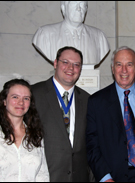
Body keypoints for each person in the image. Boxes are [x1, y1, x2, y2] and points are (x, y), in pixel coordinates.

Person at [86, 46, 135, 182]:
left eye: (129, 64)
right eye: (119, 64)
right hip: (113, 177)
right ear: (112, 69)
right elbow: (91, 145)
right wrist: (105, 177)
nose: (124, 70)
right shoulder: (97, 102)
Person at [31, 46, 93, 182]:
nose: (70, 68)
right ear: (55, 63)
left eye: (76, 64)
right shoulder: (33, 94)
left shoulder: (88, 100)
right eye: (65, 62)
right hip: (45, 176)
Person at [0, 79, 49, 182]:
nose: (21, 102)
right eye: (15, 97)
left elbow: (42, 176)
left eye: (26, 98)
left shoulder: (36, 136)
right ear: (4, 101)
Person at [32, 1, 110, 65]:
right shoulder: (44, 34)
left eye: (82, 4)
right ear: (63, 8)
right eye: (74, 3)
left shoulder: (99, 37)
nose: (79, 8)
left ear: (86, 9)